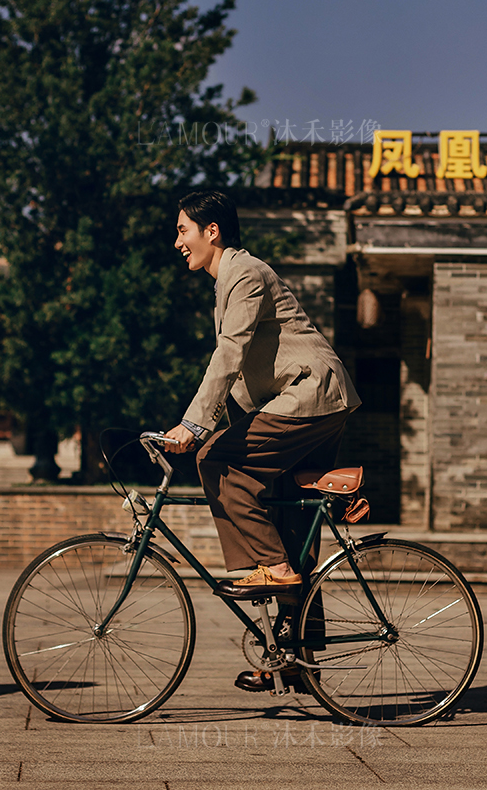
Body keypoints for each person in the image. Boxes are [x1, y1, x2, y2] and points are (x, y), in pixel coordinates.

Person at [162, 191, 360, 692]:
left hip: (310, 396)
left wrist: (194, 425)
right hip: (314, 401)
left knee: (215, 459)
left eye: (183, 230)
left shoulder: (245, 272)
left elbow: (231, 352)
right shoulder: (228, 280)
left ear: (212, 231)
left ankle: (266, 566)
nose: (177, 242)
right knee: (291, 529)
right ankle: (293, 659)